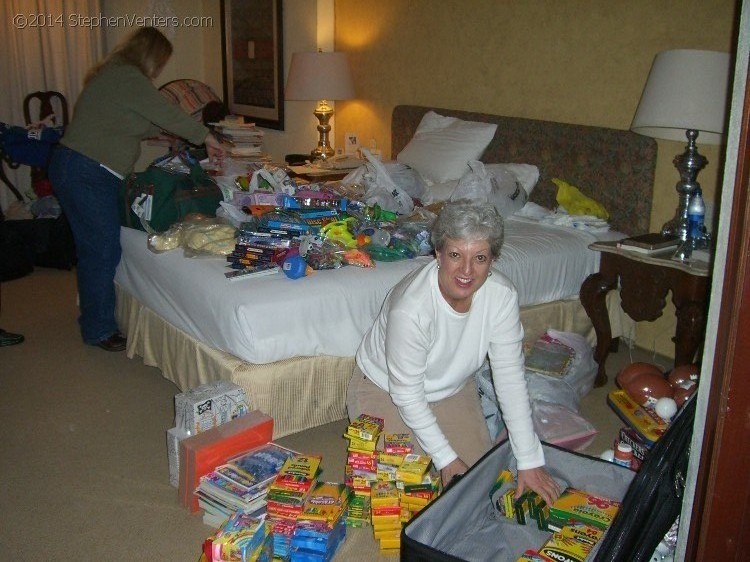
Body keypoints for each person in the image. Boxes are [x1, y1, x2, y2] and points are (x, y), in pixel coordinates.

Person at [347, 200, 561, 506]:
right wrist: (446, 459)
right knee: (408, 492)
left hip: (452, 389)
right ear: (438, 253)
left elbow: (511, 379)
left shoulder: (501, 297)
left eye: (480, 258)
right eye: (456, 255)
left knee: (480, 486)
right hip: (384, 388)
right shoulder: (411, 308)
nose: (466, 271)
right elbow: (407, 394)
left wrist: (529, 458)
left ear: (493, 261)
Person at [48, 27, 224, 352]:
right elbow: (163, 112)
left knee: (94, 247)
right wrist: (206, 136)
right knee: (101, 250)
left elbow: (136, 122)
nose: (159, 71)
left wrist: (169, 136)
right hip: (87, 171)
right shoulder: (129, 78)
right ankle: (99, 329)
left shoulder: (113, 77)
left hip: (76, 167)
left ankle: (93, 316)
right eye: (160, 63)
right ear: (151, 56)